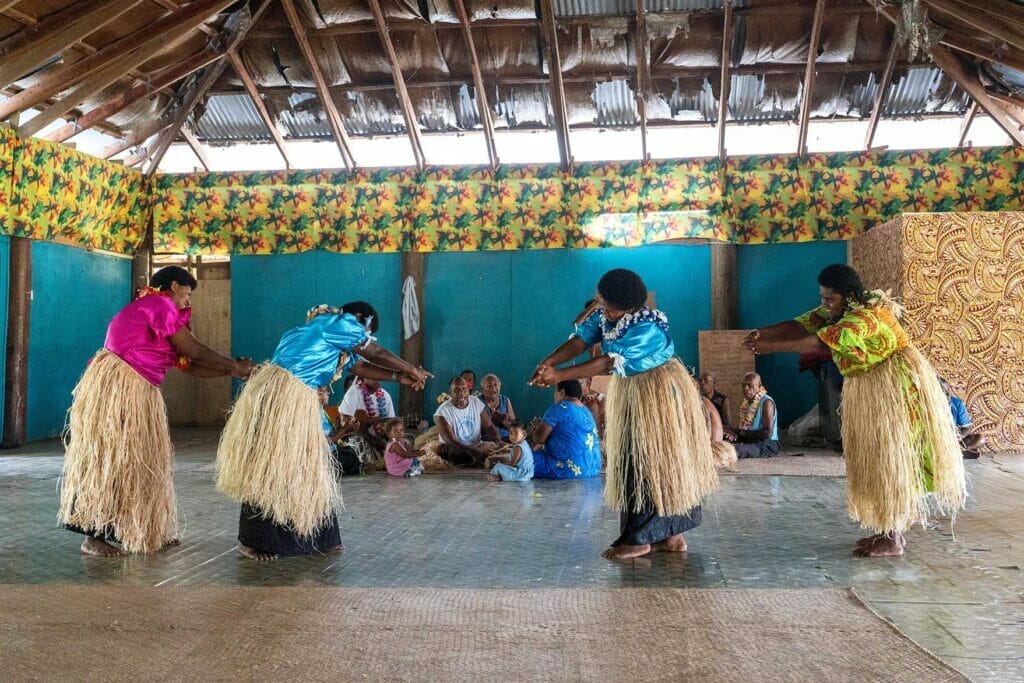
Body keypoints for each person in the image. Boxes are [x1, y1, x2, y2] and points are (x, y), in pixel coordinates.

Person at [742, 264, 965, 558]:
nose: (824, 304)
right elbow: (804, 324)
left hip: (895, 391)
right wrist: (762, 333)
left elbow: (822, 343)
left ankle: (894, 538)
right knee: (875, 458)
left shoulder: (866, 316)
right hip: (870, 387)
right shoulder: (842, 308)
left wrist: (772, 348)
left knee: (890, 458)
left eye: (829, 299)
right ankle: (887, 530)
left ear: (847, 296)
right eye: (822, 298)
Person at [58, 266, 253, 557]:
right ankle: (92, 535)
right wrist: (234, 366)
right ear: (174, 285)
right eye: (186, 294)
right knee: (114, 460)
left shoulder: (160, 316)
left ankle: (140, 529)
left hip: (139, 389)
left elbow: (192, 366)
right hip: (121, 387)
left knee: (141, 461)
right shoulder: (157, 304)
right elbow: (194, 350)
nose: (187, 302)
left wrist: (232, 372)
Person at [216, 302, 431, 562]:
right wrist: (410, 368)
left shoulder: (332, 339)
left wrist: (399, 377)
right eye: (366, 332)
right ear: (359, 318)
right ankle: (254, 540)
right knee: (273, 468)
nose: (363, 338)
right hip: (283, 398)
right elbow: (374, 352)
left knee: (312, 465)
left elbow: (360, 367)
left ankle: (320, 536)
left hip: (298, 400)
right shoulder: (338, 323)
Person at [530, 269, 717, 560]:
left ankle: (641, 538)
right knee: (644, 459)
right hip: (634, 392)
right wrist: (547, 363)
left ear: (625, 306)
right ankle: (668, 537)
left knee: (646, 459)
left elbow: (607, 362)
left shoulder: (646, 329)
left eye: (605, 302)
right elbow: (581, 340)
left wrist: (560, 376)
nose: (599, 306)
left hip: (657, 397)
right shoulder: (607, 315)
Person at [531, 380, 602, 480]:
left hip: (568, 470)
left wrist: (537, 429)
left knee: (525, 459)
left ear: (562, 393)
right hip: (592, 469)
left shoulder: (559, 408)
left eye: (555, 391)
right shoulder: (586, 410)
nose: (554, 395)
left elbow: (538, 439)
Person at [434, 376, 501, 466]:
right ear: (450, 393)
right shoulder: (442, 413)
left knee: (492, 446)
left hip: (477, 446)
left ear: (468, 390)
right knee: (454, 453)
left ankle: (477, 459)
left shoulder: (476, 402)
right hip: (458, 448)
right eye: (456, 390)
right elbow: (452, 441)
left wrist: (497, 441)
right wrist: (476, 451)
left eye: (464, 389)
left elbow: (489, 426)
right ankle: (478, 460)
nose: (461, 393)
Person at [725, 373, 780, 458]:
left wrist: (742, 433)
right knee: (724, 440)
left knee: (734, 449)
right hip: (750, 439)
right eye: (743, 385)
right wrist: (736, 432)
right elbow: (745, 429)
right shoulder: (746, 402)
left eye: (750, 385)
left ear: (759, 385)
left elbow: (767, 433)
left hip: (766, 444)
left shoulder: (766, 402)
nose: (746, 388)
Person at [338, 375, 396, 455]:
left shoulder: (386, 395)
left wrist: (384, 428)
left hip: (379, 438)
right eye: (375, 375)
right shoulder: (354, 393)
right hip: (357, 439)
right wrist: (367, 423)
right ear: (364, 376)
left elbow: (391, 422)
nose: (379, 380)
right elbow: (344, 421)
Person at [939, 378, 986, 459]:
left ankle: (953, 451)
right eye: (944, 393)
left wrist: (959, 436)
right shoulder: (926, 404)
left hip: (953, 440)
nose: (948, 395)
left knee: (980, 439)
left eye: (948, 392)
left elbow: (967, 428)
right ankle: (960, 452)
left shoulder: (956, 403)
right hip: (936, 440)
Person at [480, 373, 516, 440]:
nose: (493, 388)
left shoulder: (505, 400)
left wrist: (504, 421)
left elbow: (514, 425)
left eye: (496, 385)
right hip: (487, 441)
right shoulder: (478, 403)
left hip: (507, 439)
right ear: (482, 389)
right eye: (489, 385)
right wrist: (492, 422)